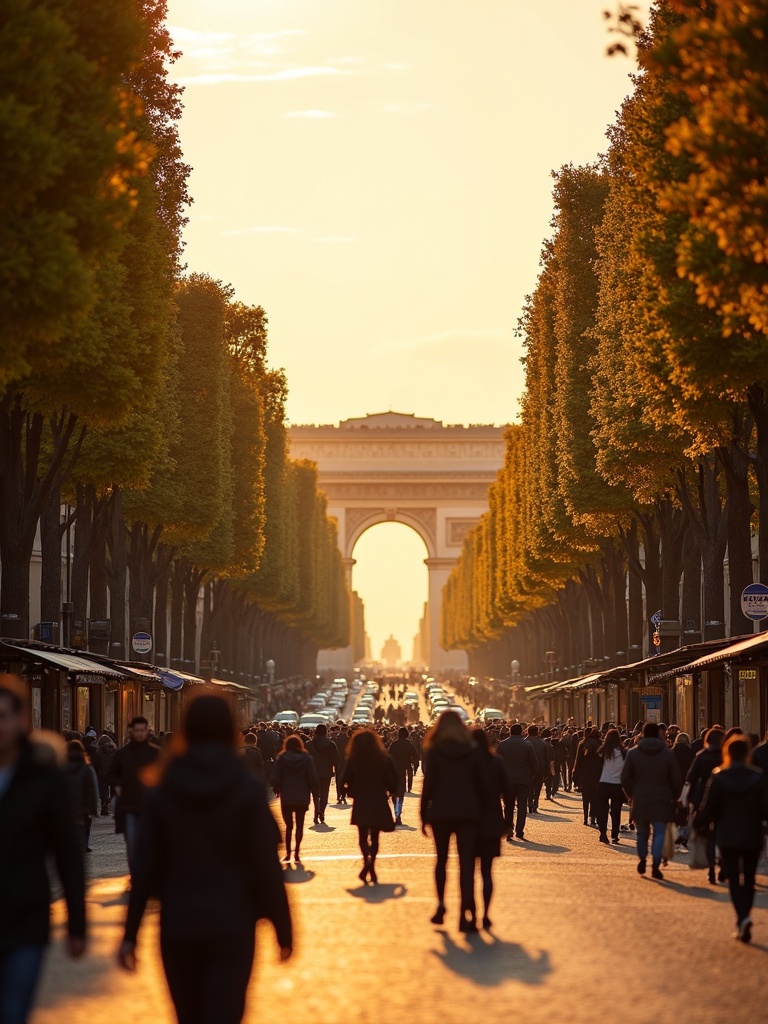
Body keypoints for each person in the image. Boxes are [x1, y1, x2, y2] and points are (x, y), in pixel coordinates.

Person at [118, 695, 292, 1024]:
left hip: (179, 923)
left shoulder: (162, 789)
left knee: (188, 1016)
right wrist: (284, 929)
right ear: (231, 729)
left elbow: (145, 866)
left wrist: (130, 934)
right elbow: (266, 865)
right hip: (233, 923)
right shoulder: (247, 789)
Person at [0, 676, 86, 1024]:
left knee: (12, 1012)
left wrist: (77, 925)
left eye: (4, 716)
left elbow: (67, 852)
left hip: (25, 918)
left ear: (21, 720)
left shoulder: (44, 777)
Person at [695, 736, 768, 943]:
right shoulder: (758, 777)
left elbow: (708, 807)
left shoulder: (719, 776)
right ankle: (745, 915)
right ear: (747, 753)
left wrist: (698, 824)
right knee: (750, 878)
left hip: (727, 834)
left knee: (734, 877)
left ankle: (742, 918)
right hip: (752, 834)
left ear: (728, 752)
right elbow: (765, 808)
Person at [420, 710, 482, 932]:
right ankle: (467, 911)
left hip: (441, 811)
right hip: (468, 811)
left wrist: (423, 814)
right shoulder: (472, 751)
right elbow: (481, 784)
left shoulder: (435, 751)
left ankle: (441, 905)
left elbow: (429, 784)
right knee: (466, 864)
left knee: (441, 860)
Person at [621, 721, 682, 880]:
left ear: (643, 733)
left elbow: (624, 778)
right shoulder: (668, 754)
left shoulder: (633, 753)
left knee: (642, 833)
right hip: (662, 799)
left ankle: (642, 858)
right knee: (659, 832)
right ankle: (655, 864)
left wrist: (631, 795)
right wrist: (674, 796)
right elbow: (676, 780)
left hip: (640, 799)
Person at [341, 729, 398, 884]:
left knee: (362, 837)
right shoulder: (384, 758)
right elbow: (394, 780)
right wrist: (390, 791)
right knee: (375, 837)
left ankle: (367, 863)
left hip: (361, 800)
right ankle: (371, 864)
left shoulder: (353, 759)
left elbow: (343, 779)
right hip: (378, 799)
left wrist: (347, 791)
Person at [109, 715, 161, 884]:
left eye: (142, 730)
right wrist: (117, 785)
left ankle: (147, 874)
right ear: (131, 731)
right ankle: (136, 875)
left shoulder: (155, 753)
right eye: (137, 731)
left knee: (148, 844)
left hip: (150, 807)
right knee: (132, 844)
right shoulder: (122, 754)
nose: (139, 734)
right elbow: (112, 774)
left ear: (147, 731)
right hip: (129, 806)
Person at [473, 729, 513, 930]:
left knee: (467, 872)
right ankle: (486, 914)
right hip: (491, 821)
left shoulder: (465, 763)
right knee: (487, 873)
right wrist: (508, 822)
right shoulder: (496, 762)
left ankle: (470, 913)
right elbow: (508, 793)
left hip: (468, 821)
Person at [686, 726, 725, 884]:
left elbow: (691, 778)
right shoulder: (725, 755)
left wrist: (690, 800)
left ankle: (711, 869)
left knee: (708, 836)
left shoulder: (701, 756)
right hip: (724, 798)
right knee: (723, 833)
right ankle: (723, 865)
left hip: (703, 799)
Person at [271, 735, 317, 863]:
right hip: (302, 796)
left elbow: (275, 777)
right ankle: (297, 851)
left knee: (289, 826)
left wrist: (277, 788)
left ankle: (287, 852)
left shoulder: (282, 758)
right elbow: (312, 777)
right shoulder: (307, 758)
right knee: (300, 824)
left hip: (287, 795)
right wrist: (314, 791)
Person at [496, 722, 537, 841]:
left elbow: (496, 762)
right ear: (522, 732)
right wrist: (534, 776)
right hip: (524, 780)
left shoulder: (502, 745)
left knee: (508, 806)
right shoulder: (527, 745)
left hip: (507, 781)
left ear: (510, 732)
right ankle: (520, 830)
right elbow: (534, 764)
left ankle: (509, 828)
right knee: (522, 806)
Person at [65, 739, 99, 852]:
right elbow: (93, 789)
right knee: (84, 828)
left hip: (67, 806)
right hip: (84, 806)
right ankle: (84, 845)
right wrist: (93, 809)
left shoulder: (61, 767)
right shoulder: (87, 768)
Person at [595, 729, 626, 844]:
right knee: (616, 811)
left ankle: (603, 833)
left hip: (603, 783)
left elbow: (597, 768)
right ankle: (615, 833)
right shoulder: (623, 752)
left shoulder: (602, 751)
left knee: (602, 810)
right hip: (617, 785)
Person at [306, 723, 338, 824]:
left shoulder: (308, 744)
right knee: (324, 793)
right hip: (326, 773)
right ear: (326, 732)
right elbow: (335, 761)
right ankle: (322, 811)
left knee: (315, 793)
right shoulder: (331, 744)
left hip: (312, 773)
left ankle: (316, 811)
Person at [388, 725, 419, 825]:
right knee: (400, 795)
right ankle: (398, 815)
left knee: (394, 794)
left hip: (393, 772)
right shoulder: (409, 745)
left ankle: (397, 812)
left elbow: (388, 758)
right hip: (402, 772)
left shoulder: (394, 745)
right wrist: (414, 767)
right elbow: (415, 757)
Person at [574, 727, 602, 827]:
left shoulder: (582, 743)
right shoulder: (601, 745)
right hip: (597, 776)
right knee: (595, 799)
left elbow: (578, 761)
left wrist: (575, 776)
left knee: (585, 798)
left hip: (584, 776)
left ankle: (585, 818)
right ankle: (593, 818)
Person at [525, 725, 548, 813]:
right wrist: (546, 772)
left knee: (529, 788)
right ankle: (535, 803)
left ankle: (530, 802)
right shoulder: (543, 743)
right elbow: (546, 759)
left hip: (527, 770)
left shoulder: (525, 742)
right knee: (537, 788)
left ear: (528, 732)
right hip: (540, 769)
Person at [93, 733, 117, 815]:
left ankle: (104, 806)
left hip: (102, 774)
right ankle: (110, 801)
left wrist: (95, 773)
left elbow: (96, 763)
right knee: (114, 790)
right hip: (113, 774)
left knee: (103, 790)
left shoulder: (98, 751)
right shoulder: (115, 751)